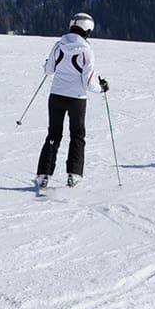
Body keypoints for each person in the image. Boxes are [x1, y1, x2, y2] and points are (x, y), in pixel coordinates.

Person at [36, 13, 107, 190]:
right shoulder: (87, 51)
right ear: (88, 30)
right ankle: (74, 175)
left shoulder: (58, 45)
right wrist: (102, 87)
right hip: (77, 99)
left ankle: (43, 174)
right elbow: (89, 83)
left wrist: (47, 64)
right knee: (77, 135)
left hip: (56, 96)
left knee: (53, 134)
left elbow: (49, 70)